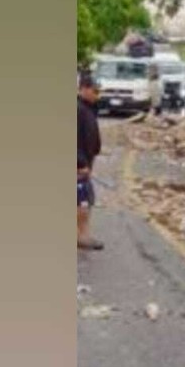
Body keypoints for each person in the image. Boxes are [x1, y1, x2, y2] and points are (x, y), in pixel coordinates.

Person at [77, 75, 104, 251]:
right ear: (84, 89)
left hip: (85, 161)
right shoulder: (78, 109)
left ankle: (81, 235)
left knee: (83, 200)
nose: (97, 95)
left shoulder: (87, 108)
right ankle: (81, 237)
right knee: (83, 201)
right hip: (79, 165)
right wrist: (79, 163)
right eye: (95, 91)